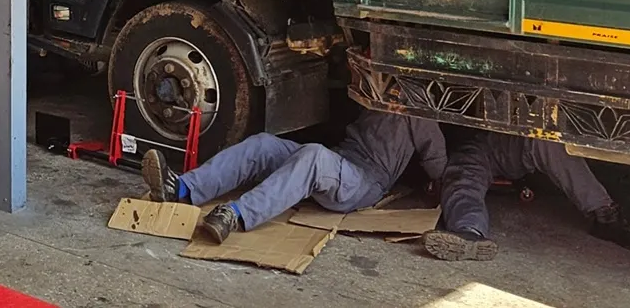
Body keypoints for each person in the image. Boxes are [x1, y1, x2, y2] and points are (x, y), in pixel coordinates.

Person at [142, 109, 446, 244]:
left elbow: (436, 163)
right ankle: (180, 189)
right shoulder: (375, 91)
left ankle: (234, 215)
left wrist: (435, 184)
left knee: (313, 155)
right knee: (263, 145)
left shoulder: (418, 112)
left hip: (364, 182)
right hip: (341, 161)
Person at [423, 126, 630, 260]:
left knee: (544, 140)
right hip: (461, 146)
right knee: (464, 178)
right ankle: (469, 232)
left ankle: (605, 215)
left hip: (499, 134)